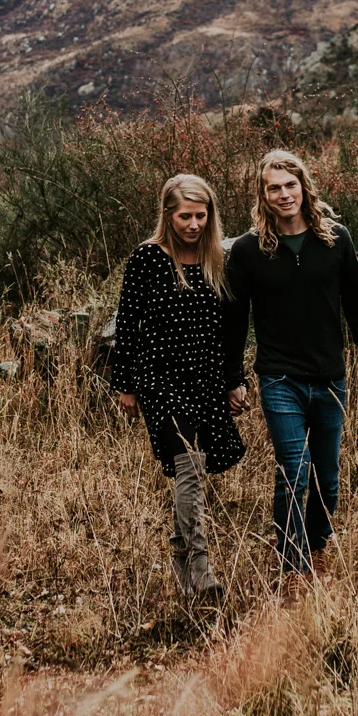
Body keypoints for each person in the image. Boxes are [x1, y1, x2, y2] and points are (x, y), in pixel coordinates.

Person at [221, 149, 358, 577]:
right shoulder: (249, 250)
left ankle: (315, 545)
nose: (283, 194)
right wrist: (233, 378)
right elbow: (235, 319)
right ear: (263, 195)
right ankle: (292, 565)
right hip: (279, 379)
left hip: (330, 379)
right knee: (293, 473)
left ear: (304, 186)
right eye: (273, 188)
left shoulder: (335, 240)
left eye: (290, 185)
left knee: (327, 481)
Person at [109, 173, 245, 597]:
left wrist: (234, 381)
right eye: (185, 216)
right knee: (189, 463)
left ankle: (181, 558)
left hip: (205, 379)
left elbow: (230, 329)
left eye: (201, 215)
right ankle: (201, 567)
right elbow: (127, 324)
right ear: (168, 215)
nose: (193, 224)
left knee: (195, 468)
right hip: (160, 380)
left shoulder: (216, 258)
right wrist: (125, 385)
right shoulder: (148, 258)